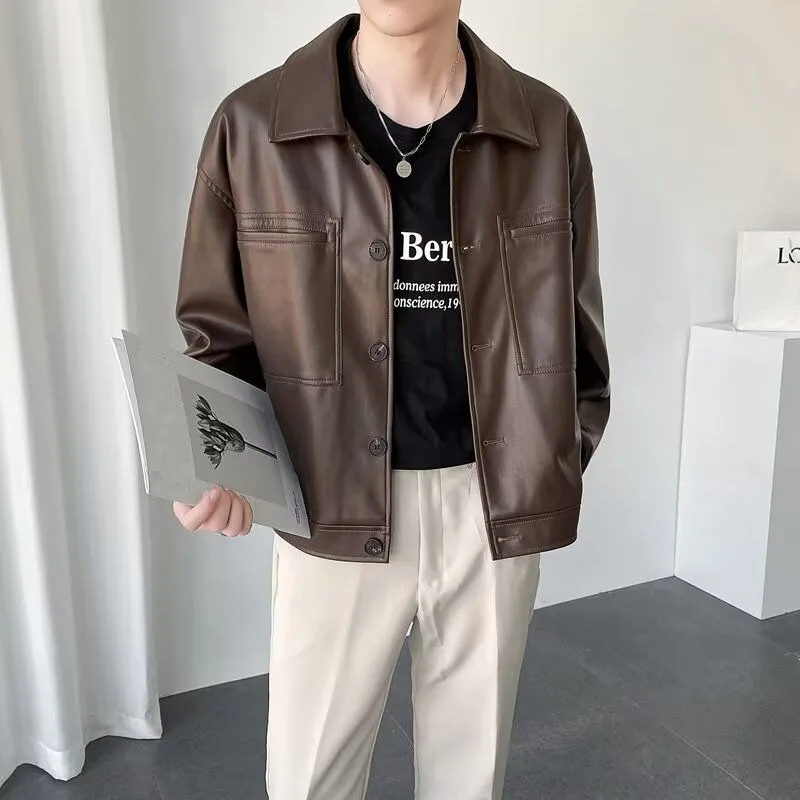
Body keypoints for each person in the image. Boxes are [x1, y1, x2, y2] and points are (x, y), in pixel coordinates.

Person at [172, 2, 610, 798]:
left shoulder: (545, 127)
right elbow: (217, 334)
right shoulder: (255, 125)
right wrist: (216, 464)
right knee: (308, 779)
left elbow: (578, 341)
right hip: (329, 506)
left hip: (492, 510)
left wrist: (549, 461)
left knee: (470, 778)